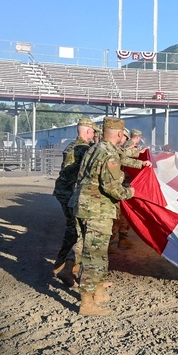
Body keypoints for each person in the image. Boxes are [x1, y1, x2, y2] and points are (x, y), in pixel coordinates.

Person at [74, 117, 135, 316]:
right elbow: (112, 188)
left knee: (97, 254)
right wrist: (131, 192)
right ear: (119, 134)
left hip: (89, 208)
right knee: (93, 257)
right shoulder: (108, 154)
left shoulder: (95, 148)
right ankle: (86, 303)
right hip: (96, 210)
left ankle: (97, 292)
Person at [51, 118, 97, 287]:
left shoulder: (72, 145)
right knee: (78, 232)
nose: (94, 134)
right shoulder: (83, 148)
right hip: (70, 193)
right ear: (86, 131)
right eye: (92, 131)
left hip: (64, 191)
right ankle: (66, 268)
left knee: (72, 230)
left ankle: (60, 265)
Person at [112, 128, 152, 250]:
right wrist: (140, 159)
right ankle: (111, 242)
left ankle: (122, 238)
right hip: (119, 186)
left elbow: (124, 156)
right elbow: (124, 159)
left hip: (124, 185)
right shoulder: (118, 148)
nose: (125, 139)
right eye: (124, 136)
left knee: (123, 215)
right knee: (116, 216)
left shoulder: (119, 148)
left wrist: (140, 155)